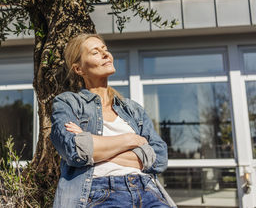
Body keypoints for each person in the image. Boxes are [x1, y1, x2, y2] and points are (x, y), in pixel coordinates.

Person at [50, 34, 173, 208]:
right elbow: (75, 150)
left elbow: (159, 158)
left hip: (147, 189)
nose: (106, 54)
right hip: (99, 191)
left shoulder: (132, 109)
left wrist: (94, 146)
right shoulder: (68, 103)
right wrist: (130, 140)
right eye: (95, 52)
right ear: (79, 69)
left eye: (105, 50)